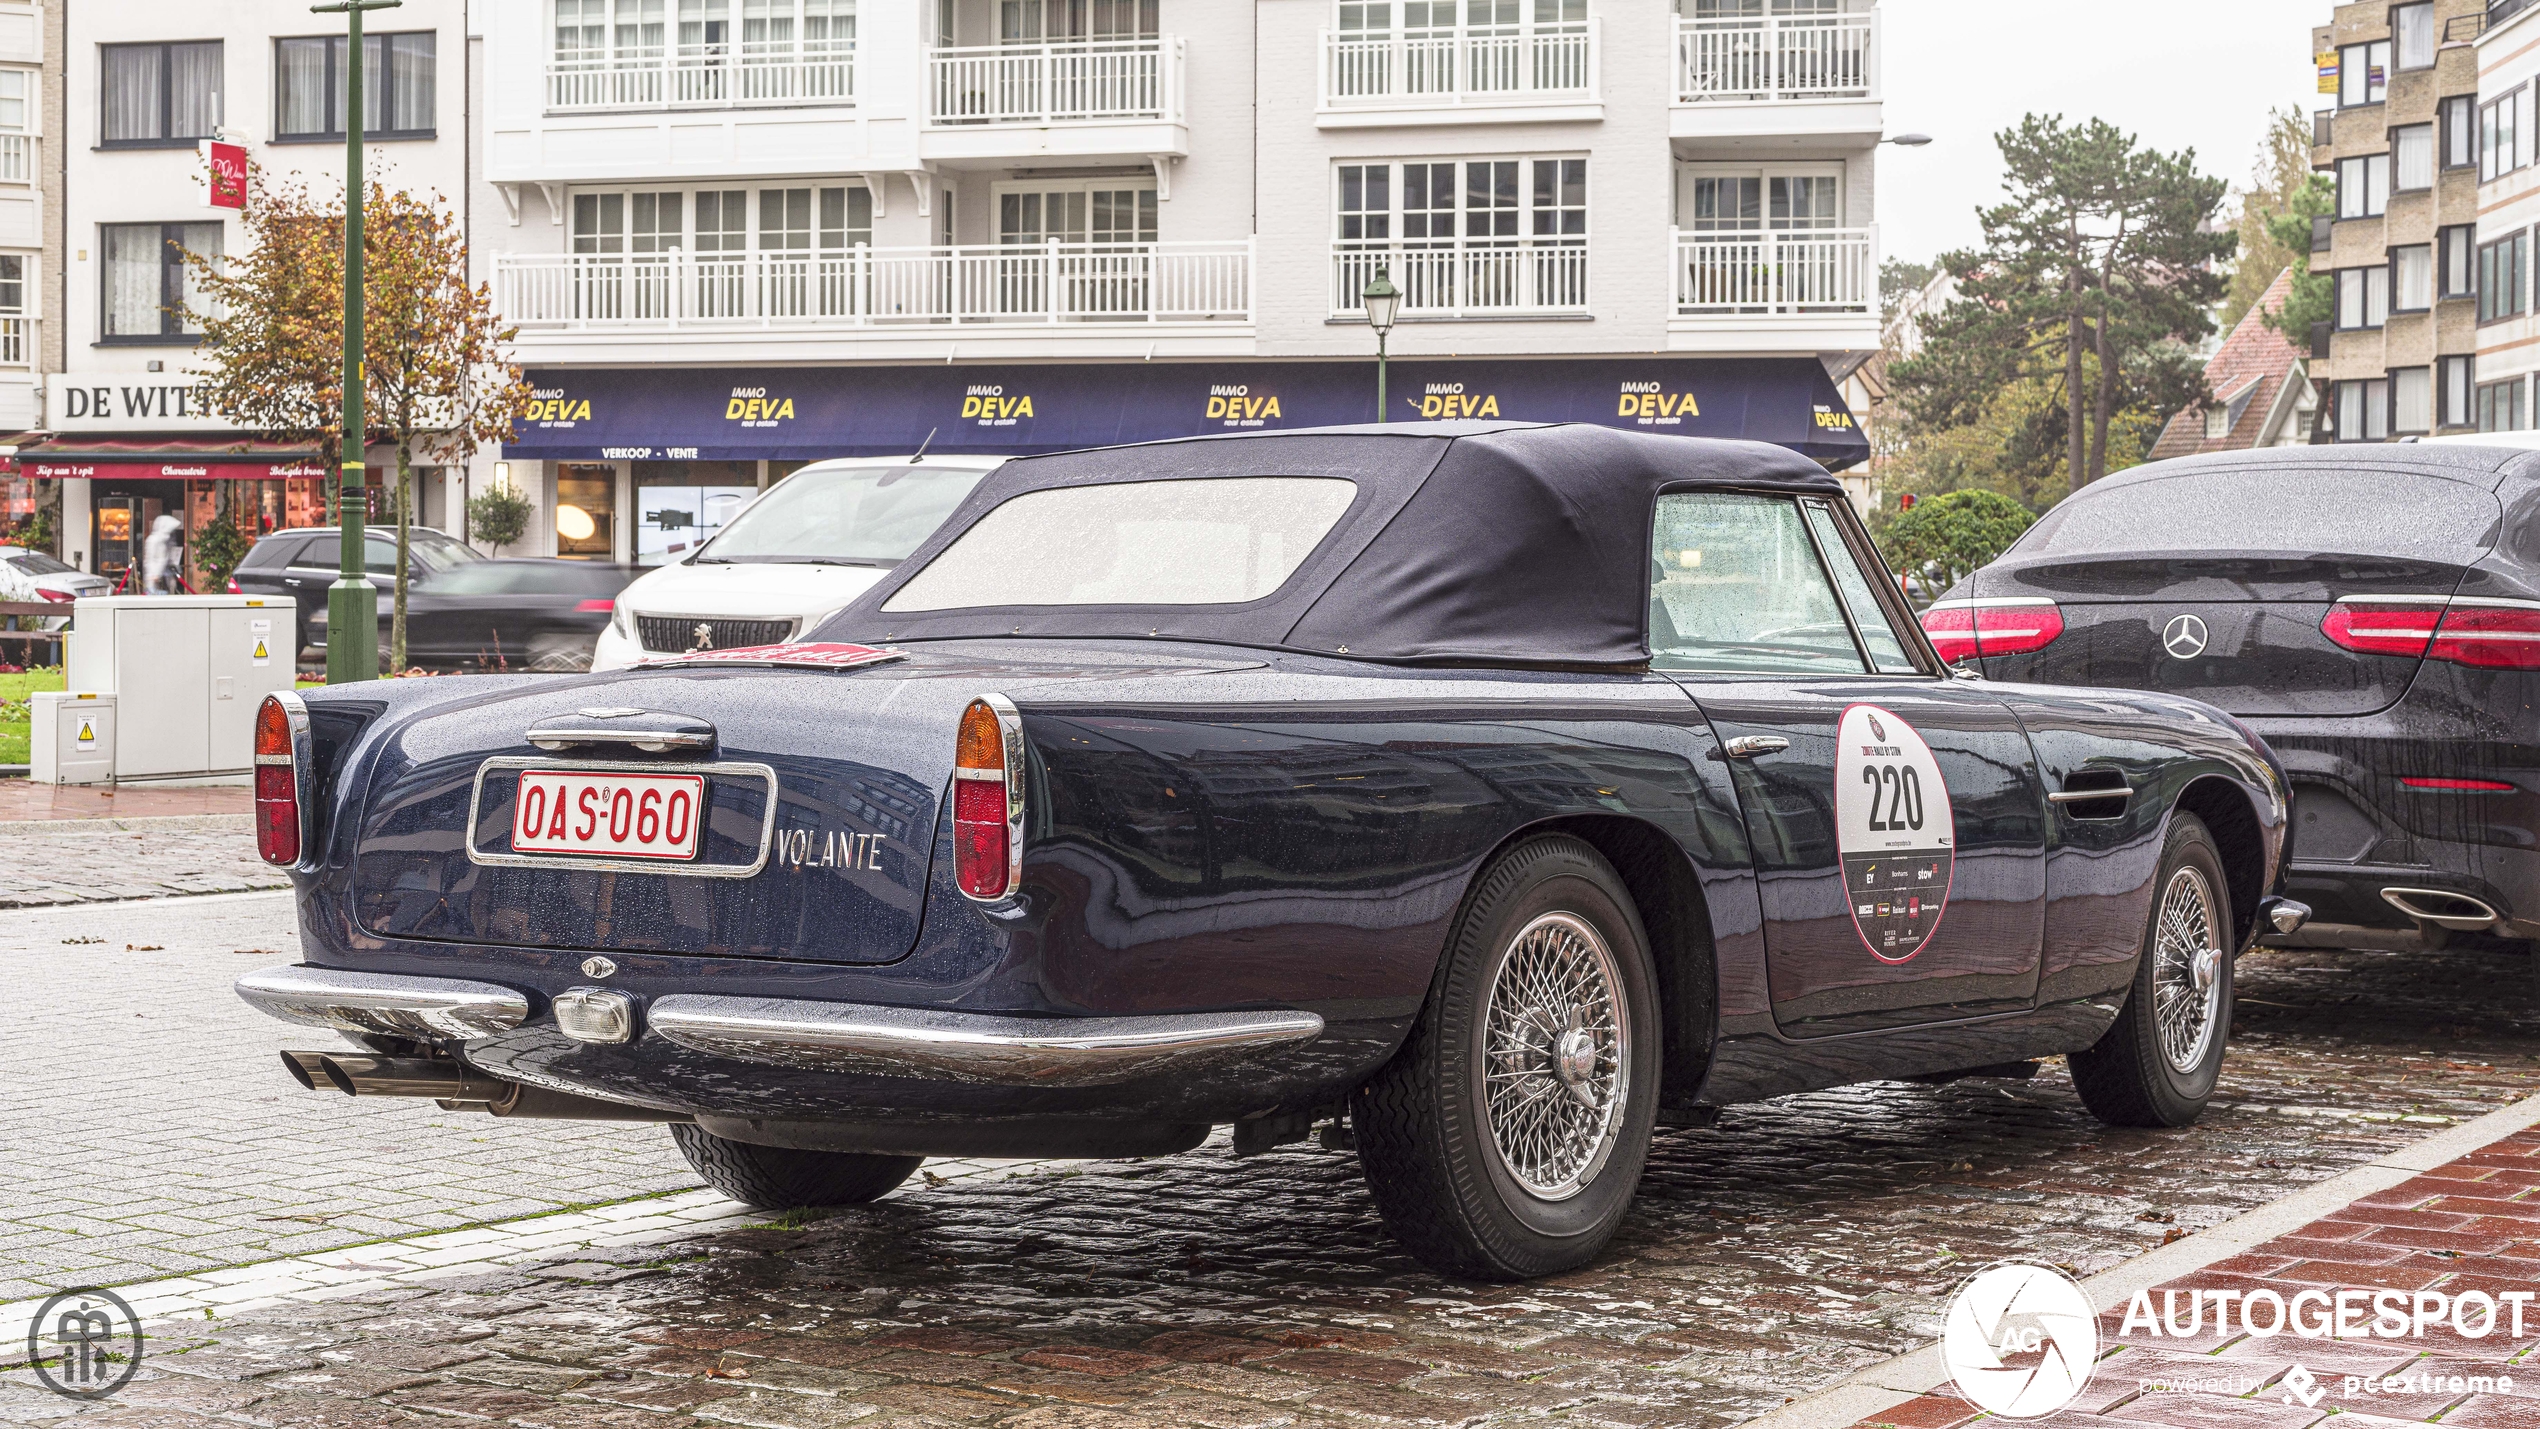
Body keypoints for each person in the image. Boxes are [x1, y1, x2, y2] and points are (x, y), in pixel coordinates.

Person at [142, 514, 183, 594]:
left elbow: (165, 558)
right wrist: (153, 574)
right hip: (154, 576)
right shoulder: (153, 540)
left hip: (165, 573)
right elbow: (149, 559)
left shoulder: (165, 542)